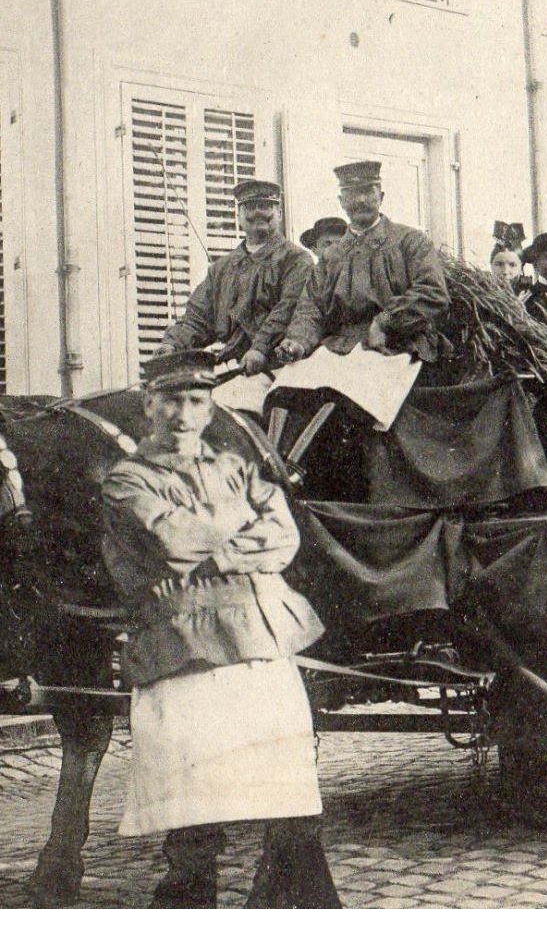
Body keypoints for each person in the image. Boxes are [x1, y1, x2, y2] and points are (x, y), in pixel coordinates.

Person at [103, 349, 339, 908]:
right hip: (181, 647)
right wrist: (242, 532)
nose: (183, 415)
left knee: (283, 779)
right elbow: (171, 540)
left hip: (261, 638)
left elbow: (286, 535)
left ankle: (287, 899)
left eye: (196, 402)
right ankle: (190, 901)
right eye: (171, 402)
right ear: (149, 407)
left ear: (210, 408)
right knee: (193, 794)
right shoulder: (126, 479)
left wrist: (217, 545)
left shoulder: (235, 467)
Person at [277, 161, 451, 364]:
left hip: (401, 344)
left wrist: (385, 321)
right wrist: (298, 341)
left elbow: (433, 292)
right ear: (341, 201)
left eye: (368, 191)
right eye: (351, 193)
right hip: (342, 347)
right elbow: (312, 307)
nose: (360, 200)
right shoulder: (331, 257)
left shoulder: (410, 241)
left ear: (381, 196)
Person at [160, 179, 314, 376]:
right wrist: (172, 344)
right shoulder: (221, 268)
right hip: (228, 365)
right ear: (239, 216)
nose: (258, 212)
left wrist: (259, 348)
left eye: (266, 206)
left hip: (276, 364)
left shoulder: (296, 259)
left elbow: (288, 309)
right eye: (250, 207)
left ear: (280, 213)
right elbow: (196, 318)